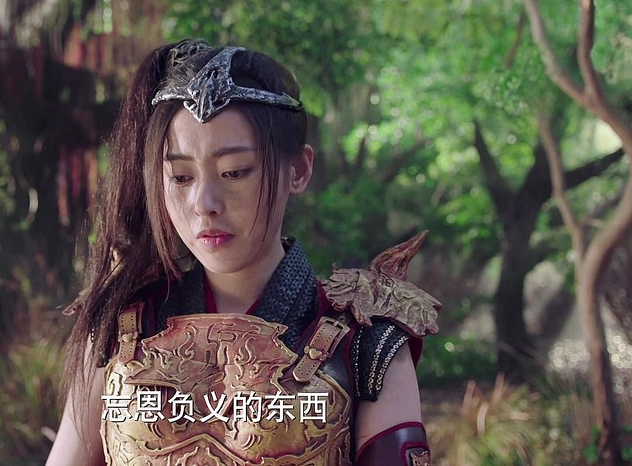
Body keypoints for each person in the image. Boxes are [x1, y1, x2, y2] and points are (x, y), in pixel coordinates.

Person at [46, 39, 440, 466]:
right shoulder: (120, 326)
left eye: (234, 172)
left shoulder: (367, 341)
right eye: (180, 177)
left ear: (298, 170)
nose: (205, 203)